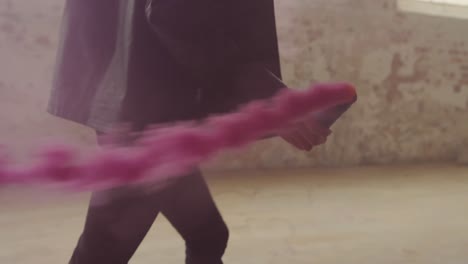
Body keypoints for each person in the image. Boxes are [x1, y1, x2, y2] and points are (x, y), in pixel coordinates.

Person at [48, 1, 337, 263]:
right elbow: (176, 14)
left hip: (135, 93)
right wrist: (269, 100)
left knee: (207, 237)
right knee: (103, 251)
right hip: (147, 105)